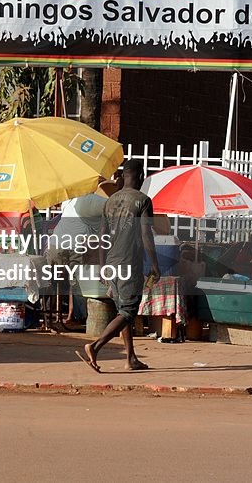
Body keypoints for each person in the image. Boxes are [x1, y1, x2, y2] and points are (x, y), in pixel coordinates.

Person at [78, 160, 160, 373]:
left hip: (111, 263)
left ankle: (131, 358)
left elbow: (102, 236)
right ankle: (95, 347)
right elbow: (146, 234)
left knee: (123, 310)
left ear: (124, 176)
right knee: (128, 311)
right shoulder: (143, 200)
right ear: (141, 176)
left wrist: (102, 266)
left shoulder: (110, 201)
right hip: (129, 263)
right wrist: (154, 264)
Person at [46, 191, 107, 327]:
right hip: (73, 246)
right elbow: (113, 208)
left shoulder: (69, 200)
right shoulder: (93, 200)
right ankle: (75, 316)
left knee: (55, 283)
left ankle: (53, 318)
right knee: (77, 284)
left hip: (57, 244)